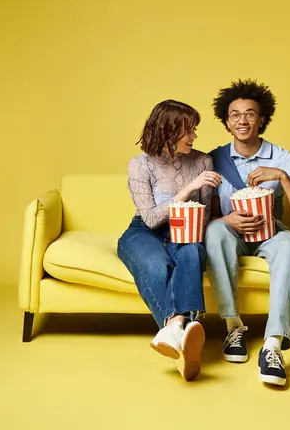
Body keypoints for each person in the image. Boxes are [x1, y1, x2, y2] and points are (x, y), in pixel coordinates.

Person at [205, 80, 290, 387]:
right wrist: (226, 218)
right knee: (213, 231)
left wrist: (281, 177)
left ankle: (273, 345)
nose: (242, 120)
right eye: (235, 115)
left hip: (271, 232)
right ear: (227, 122)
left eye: (250, 114)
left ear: (262, 119)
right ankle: (234, 327)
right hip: (232, 231)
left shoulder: (282, 158)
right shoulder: (214, 158)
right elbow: (208, 211)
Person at [117, 99, 221, 381]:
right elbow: (150, 218)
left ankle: (174, 331)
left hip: (186, 230)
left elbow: (205, 217)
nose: (194, 136)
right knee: (156, 264)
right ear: (166, 130)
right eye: (188, 130)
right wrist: (188, 189)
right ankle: (183, 326)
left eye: (194, 130)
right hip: (143, 231)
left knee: (192, 254)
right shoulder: (140, 165)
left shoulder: (202, 161)